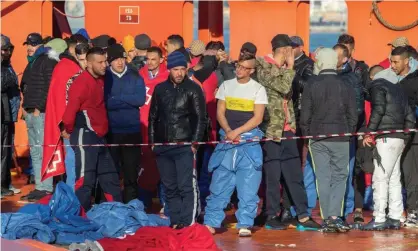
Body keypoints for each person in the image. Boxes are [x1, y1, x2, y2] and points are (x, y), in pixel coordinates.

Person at [256, 34, 320, 231]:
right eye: (289, 50)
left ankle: (302, 214)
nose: (292, 54)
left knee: (294, 174)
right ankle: (271, 214)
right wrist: (290, 67)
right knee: (273, 175)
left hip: (288, 128)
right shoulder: (263, 67)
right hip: (271, 129)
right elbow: (283, 87)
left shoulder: (285, 70)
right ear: (282, 50)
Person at [204, 52, 267, 237]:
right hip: (227, 142)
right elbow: (220, 112)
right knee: (219, 184)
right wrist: (229, 132)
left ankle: (245, 223)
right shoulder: (226, 85)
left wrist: (237, 132)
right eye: (237, 66)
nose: (239, 70)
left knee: (248, 187)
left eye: (243, 68)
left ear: (252, 71)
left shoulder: (258, 89)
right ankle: (211, 221)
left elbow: (258, 118)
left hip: (248, 143)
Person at [300, 48, 357, 233]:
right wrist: (348, 132)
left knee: (322, 177)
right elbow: (352, 114)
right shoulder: (346, 85)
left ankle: (326, 218)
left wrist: (308, 134)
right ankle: (335, 216)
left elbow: (305, 115)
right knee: (340, 176)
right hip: (340, 136)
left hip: (317, 136)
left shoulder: (311, 84)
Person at [148, 51, 207, 229]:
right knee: (170, 187)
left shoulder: (193, 89)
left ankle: (188, 222)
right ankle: (175, 221)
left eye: (183, 69)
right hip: (162, 146)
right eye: (176, 69)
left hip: (185, 145)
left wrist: (195, 144)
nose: (180, 73)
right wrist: (152, 143)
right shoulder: (160, 89)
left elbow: (200, 118)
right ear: (169, 69)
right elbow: (153, 117)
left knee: (185, 186)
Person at [62, 47, 122, 211]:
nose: (104, 65)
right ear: (88, 64)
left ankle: (118, 212)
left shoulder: (101, 80)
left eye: (105, 61)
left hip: (100, 136)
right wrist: (68, 128)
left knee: (110, 177)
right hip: (84, 134)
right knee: (85, 178)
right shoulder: (81, 83)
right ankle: (80, 215)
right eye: (100, 62)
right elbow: (69, 113)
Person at [361, 66, 415, 231]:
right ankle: (396, 216)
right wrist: (404, 138)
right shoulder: (399, 91)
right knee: (394, 179)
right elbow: (410, 117)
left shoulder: (379, 86)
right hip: (399, 138)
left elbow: (378, 109)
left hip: (385, 137)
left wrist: (369, 132)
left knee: (381, 178)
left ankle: (378, 217)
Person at [42, 39, 86, 191]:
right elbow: (63, 101)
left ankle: (74, 191)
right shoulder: (69, 69)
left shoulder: (63, 67)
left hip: (73, 122)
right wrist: (65, 125)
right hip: (70, 123)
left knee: (75, 158)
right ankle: (72, 192)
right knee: (73, 158)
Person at [20, 32, 59, 202]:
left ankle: (46, 187)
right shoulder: (32, 62)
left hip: (39, 113)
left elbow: (50, 86)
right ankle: (40, 185)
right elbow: (26, 86)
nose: (29, 47)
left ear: (40, 45)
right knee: (35, 152)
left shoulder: (47, 61)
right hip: (30, 111)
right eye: (28, 44)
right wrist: (26, 108)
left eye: (33, 44)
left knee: (43, 150)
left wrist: (38, 108)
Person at [104, 43, 146, 203]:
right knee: (111, 172)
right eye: (115, 60)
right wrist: (127, 100)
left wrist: (118, 99)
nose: (120, 62)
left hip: (132, 131)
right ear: (110, 62)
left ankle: (131, 205)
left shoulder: (135, 76)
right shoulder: (105, 77)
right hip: (112, 132)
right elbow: (105, 102)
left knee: (131, 173)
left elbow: (140, 99)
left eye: (122, 58)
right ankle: (112, 204)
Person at [281, 35, 314, 225]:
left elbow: (307, 87)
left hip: (298, 119)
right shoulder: (282, 64)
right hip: (285, 119)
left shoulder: (307, 65)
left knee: (296, 165)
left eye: (292, 47)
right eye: (287, 47)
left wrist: (291, 73)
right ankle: (285, 206)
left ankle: (293, 207)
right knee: (283, 166)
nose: (289, 50)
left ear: (300, 47)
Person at [334, 43, 365, 220]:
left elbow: (358, 108)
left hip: (345, 133)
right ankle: (334, 210)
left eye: (336, 57)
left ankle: (345, 210)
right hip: (329, 131)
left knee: (346, 171)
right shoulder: (327, 76)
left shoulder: (352, 78)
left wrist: (349, 128)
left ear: (345, 59)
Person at [138, 46, 169, 209]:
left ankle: (166, 202)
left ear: (161, 60)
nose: (149, 62)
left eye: (153, 59)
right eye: (147, 59)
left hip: (161, 129)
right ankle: (144, 202)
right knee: (145, 166)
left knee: (163, 166)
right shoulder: (138, 76)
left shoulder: (168, 77)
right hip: (142, 128)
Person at [397, 47, 418, 228]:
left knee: (411, 174)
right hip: (412, 135)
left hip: (411, 135)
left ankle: (413, 212)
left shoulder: (406, 84)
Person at [1, 34, 20, 197]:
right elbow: (3, 83)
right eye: (5, 49)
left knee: (6, 151)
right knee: (1, 151)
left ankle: (5, 182)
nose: (8, 53)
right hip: (3, 113)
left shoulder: (7, 65)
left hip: (8, 113)